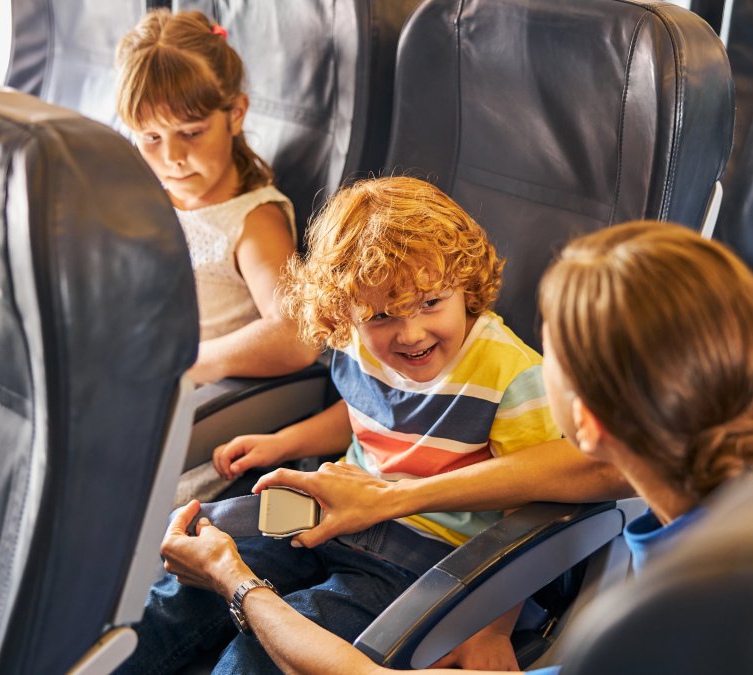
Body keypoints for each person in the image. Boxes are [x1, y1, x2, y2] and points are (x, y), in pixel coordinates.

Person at [155, 220, 753, 674]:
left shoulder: (655, 630)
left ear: (585, 423)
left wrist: (236, 581)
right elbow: (577, 469)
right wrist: (386, 495)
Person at [116, 176, 564, 674]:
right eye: (382, 315)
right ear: (346, 310)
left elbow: (527, 514)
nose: (410, 333)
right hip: (327, 518)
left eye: (430, 303)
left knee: (257, 659)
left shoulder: (512, 376)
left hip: (421, 563)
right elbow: (363, 415)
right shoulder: (357, 342)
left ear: (466, 285)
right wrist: (283, 442)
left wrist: (491, 627)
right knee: (172, 604)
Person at [116, 9, 318, 385]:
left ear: (236, 114)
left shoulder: (252, 219)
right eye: (151, 137)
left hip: (194, 394)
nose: (172, 157)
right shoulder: (150, 199)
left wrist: (189, 363)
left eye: (191, 132)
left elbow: (298, 337)